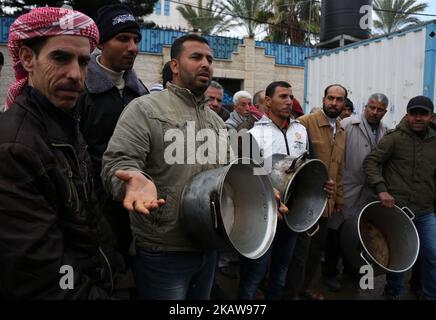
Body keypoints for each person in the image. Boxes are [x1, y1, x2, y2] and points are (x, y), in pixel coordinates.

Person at [0, 7, 132, 299]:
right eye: (60, 58)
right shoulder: (14, 147)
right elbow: (42, 277)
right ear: (26, 59)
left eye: (84, 62)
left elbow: (97, 227)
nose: (75, 74)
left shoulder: (66, 127)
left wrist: (121, 281)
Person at [100, 34, 227, 300]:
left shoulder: (217, 122)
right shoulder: (144, 109)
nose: (206, 64)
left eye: (210, 59)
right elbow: (117, 162)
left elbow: (229, 175)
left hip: (210, 245)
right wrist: (131, 180)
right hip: (163, 250)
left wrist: (260, 194)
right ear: (175, 65)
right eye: (196, 57)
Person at [238, 81, 334, 300]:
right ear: (268, 101)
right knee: (255, 273)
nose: (289, 101)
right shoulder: (253, 134)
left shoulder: (300, 130)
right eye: (283, 96)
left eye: (291, 97)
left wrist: (323, 182)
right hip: (264, 216)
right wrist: (267, 192)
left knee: (281, 270)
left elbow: (309, 165)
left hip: (292, 214)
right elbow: (245, 176)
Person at [76, 4, 148, 265]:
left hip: (134, 207)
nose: (133, 47)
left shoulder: (140, 94)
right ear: (102, 43)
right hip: (92, 209)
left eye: (136, 39)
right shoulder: (79, 90)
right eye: (123, 38)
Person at [364, 95, 436, 300]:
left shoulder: (435, 141)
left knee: (432, 255)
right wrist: (381, 189)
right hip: (398, 211)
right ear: (407, 114)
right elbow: (371, 162)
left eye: (423, 114)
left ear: (431, 117)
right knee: (399, 255)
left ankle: (430, 294)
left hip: (425, 211)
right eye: (414, 113)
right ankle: (394, 291)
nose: (418, 118)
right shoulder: (394, 138)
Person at [286, 84, 346, 299]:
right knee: (299, 251)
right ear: (323, 98)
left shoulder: (341, 130)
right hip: (304, 200)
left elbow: (339, 168)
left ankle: (305, 287)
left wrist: (338, 198)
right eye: (331, 98)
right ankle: (290, 292)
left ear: (344, 103)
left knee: (316, 250)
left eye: (339, 100)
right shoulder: (304, 124)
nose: (334, 103)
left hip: (326, 203)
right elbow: (290, 161)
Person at [323, 93, 389, 284]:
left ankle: (351, 271)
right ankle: (329, 274)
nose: (374, 112)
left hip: (367, 193)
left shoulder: (386, 131)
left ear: (385, 112)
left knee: (357, 235)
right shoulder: (347, 125)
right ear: (365, 106)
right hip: (344, 188)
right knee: (335, 232)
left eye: (379, 110)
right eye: (371, 107)